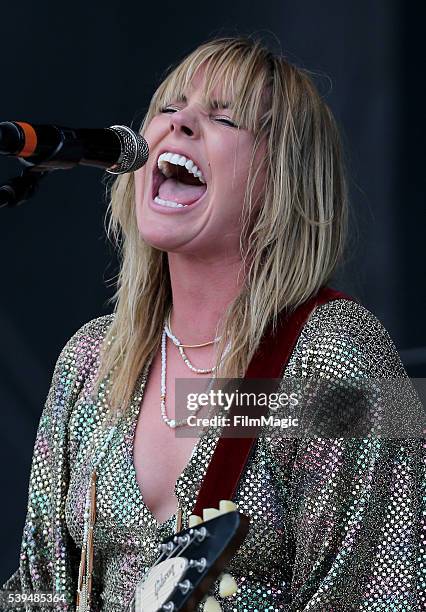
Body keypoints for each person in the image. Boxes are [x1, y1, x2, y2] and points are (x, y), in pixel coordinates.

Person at [1, 35, 424, 612]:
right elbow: (35, 592)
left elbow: (383, 592)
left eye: (224, 117)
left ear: (284, 178)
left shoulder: (343, 356)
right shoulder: (89, 361)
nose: (181, 125)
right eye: (169, 109)